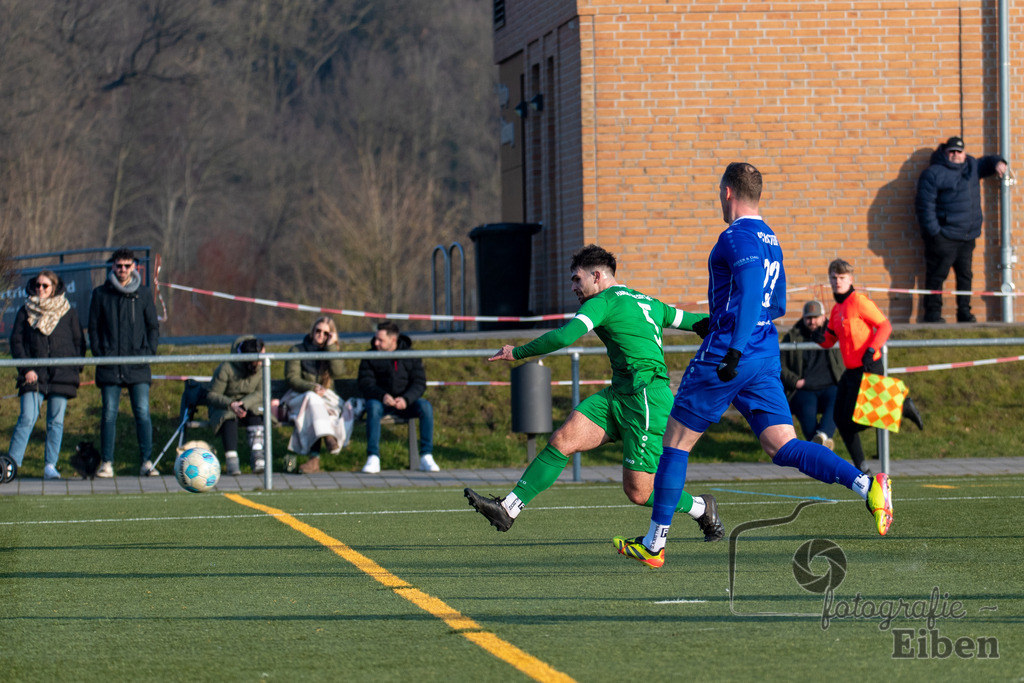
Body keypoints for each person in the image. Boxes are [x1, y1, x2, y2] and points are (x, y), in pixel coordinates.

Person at [614, 163, 894, 570]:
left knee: (674, 443)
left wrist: (732, 345)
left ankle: (655, 543)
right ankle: (867, 485)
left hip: (731, 352)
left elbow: (747, 293)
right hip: (763, 351)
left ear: (728, 192)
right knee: (782, 445)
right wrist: (730, 323)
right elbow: (774, 302)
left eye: (718, 193)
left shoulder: (735, 235)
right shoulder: (771, 238)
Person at [464, 244, 723, 543]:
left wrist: (516, 352)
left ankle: (702, 508)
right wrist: (730, 323)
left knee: (639, 492)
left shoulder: (602, 301)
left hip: (646, 401)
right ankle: (508, 508)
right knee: (563, 439)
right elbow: (696, 322)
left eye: (577, 279)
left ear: (597, 276)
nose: (573, 286)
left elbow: (564, 336)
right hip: (620, 395)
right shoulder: (646, 301)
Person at [818, 259, 924, 474]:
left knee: (863, 417)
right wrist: (814, 335)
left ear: (850, 279)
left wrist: (871, 349)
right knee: (840, 420)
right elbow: (829, 341)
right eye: (834, 278)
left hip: (869, 365)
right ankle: (862, 468)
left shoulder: (858, 301)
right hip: (851, 371)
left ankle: (901, 406)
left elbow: (885, 326)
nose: (837, 282)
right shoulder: (837, 308)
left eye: (841, 278)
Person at [915, 136, 1009, 323]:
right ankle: (932, 316)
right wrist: (935, 234)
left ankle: (964, 313)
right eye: (952, 151)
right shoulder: (933, 173)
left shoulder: (971, 166)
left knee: (965, 277)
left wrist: (999, 162)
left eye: (959, 151)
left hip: (967, 237)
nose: (956, 155)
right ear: (945, 153)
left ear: (964, 153)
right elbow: (924, 206)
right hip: (943, 238)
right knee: (937, 276)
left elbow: (987, 162)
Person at [88, 248, 161, 477]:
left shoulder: (143, 293)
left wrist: (148, 352)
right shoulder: (101, 294)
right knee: (109, 413)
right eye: (119, 265)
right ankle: (107, 463)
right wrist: (101, 353)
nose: (122, 270)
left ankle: (147, 462)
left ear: (134, 267)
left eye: (127, 265)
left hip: (137, 365)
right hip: (110, 365)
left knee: (142, 412)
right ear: (112, 266)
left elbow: (152, 326)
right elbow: (94, 327)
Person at [7, 271, 86, 480]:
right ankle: (10, 466)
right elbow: (17, 342)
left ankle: (50, 466)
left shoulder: (68, 312)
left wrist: (73, 369)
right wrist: (26, 370)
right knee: (27, 417)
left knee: (56, 422)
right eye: (37, 285)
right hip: (34, 376)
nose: (40, 289)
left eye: (45, 286)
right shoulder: (25, 311)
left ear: (54, 288)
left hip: (61, 376)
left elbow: (79, 342)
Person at [357, 321, 438, 473]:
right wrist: (382, 396)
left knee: (425, 407)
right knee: (372, 407)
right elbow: (365, 382)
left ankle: (426, 456)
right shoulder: (370, 356)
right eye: (375, 339)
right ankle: (373, 457)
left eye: (380, 340)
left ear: (393, 340)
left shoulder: (411, 355)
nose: (376, 343)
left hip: (405, 404)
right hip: (381, 403)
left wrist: (406, 399)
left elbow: (419, 383)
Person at [282, 316, 354, 474]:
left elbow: (338, 372)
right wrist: (311, 388)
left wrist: (330, 347)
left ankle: (313, 460)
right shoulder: (297, 350)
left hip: (324, 401)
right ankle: (327, 436)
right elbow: (292, 378)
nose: (321, 335)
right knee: (313, 400)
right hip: (298, 397)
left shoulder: (331, 351)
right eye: (318, 331)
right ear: (312, 331)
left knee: (318, 409)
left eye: (326, 333)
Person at [780, 300, 843, 449]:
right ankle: (823, 443)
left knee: (839, 401)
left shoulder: (835, 334)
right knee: (806, 411)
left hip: (831, 385)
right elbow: (780, 364)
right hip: (804, 388)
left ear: (823, 317)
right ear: (803, 318)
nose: (812, 321)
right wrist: (795, 381)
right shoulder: (793, 336)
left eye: (816, 317)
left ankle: (820, 439)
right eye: (808, 318)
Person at [206, 336, 268, 475]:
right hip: (227, 406)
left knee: (256, 414)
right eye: (258, 358)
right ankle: (231, 459)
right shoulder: (226, 368)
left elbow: (261, 392)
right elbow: (212, 394)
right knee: (228, 418)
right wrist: (231, 404)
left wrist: (245, 404)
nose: (261, 361)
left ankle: (258, 455)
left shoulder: (263, 367)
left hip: (249, 405)